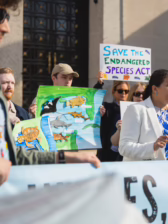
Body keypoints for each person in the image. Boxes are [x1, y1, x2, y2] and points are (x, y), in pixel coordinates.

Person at [0, 1, 100, 186]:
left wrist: (96, 115)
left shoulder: (81, 100)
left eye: (71, 78)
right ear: (54, 78)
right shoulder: (42, 99)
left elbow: (16, 154)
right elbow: (30, 138)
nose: (69, 81)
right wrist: (33, 115)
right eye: (65, 77)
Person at [97, 81, 130, 162]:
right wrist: (99, 83)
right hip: (108, 153)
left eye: (126, 91)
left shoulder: (132, 108)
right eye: (120, 91)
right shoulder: (106, 107)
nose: (123, 93)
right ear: (113, 92)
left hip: (126, 153)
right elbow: (95, 99)